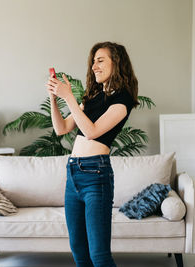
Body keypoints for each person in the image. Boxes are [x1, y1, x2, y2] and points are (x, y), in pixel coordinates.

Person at [46, 42, 139, 267]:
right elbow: (62, 128)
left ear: (116, 63)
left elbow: (92, 132)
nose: (94, 66)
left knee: (99, 255)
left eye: (100, 60)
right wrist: (54, 98)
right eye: (93, 61)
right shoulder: (91, 97)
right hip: (73, 174)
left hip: (96, 175)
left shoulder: (123, 99)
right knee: (79, 249)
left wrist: (68, 96)